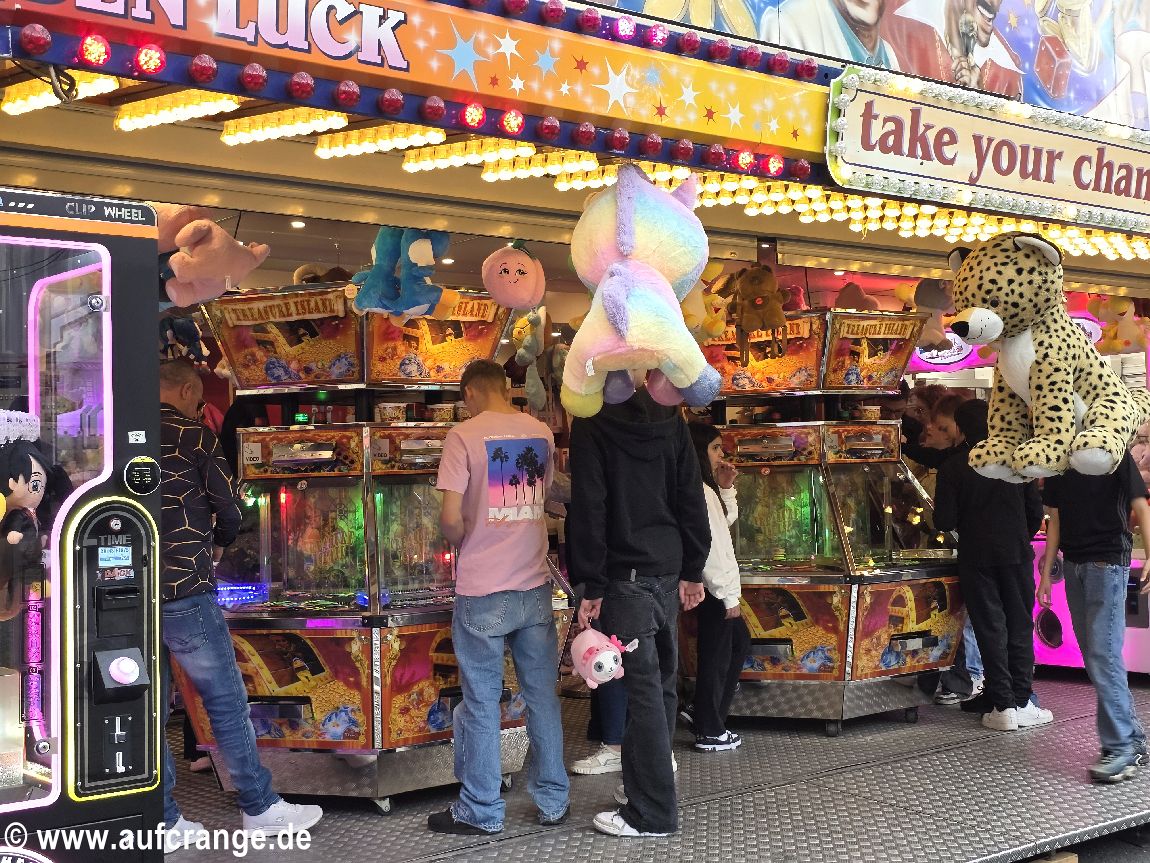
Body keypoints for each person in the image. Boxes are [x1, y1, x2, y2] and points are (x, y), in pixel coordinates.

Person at [158, 360, 322, 850]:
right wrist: (219, 544)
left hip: (134, 593)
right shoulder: (194, 435)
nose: (199, 406)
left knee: (149, 708)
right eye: (198, 398)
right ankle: (259, 805)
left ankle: (162, 819)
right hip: (187, 587)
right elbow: (229, 508)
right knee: (225, 700)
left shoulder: (125, 436)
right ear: (187, 389)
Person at [430, 359, 569, 834]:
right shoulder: (540, 432)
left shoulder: (462, 437)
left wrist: (464, 540)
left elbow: (450, 519)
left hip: (483, 589)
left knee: (482, 703)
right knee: (542, 697)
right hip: (534, 587)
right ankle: (553, 800)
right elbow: (543, 499)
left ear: (469, 392)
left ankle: (482, 809)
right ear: (505, 388)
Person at [568, 382, 709, 838]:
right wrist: (693, 567)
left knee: (643, 692)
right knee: (661, 685)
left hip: (625, 577)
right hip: (667, 569)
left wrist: (589, 581)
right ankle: (644, 788)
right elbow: (691, 494)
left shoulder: (591, 421)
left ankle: (651, 812)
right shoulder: (671, 416)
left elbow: (590, 504)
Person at [933, 400, 1048, 731]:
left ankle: (1003, 704)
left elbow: (944, 520)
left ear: (961, 428)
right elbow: (1035, 513)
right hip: (1016, 555)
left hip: (976, 557)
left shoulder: (954, 467)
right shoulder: (1016, 460)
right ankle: (1023, 701)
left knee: (990, 628)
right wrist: (1017, 536)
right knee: (1019, 625)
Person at [1040, 451, 1150, 782]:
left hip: (1107, 561)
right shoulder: (1060, 459)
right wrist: (1047, 572)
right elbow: (1055, 519)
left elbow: (1140, 503)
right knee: (1096, 656)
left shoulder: (1113, 452)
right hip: (1075, 563)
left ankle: (1120, 747)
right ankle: (1132, 739)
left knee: (1102, 655)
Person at [682, 424, 750, 752]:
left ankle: (703, 712)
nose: (721, 454)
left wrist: (725, 488)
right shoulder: (698, 489)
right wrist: (728, 595)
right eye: (714, 447)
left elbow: (722, 523)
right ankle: (709, 727)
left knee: (735, 643)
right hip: (713, 587)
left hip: (709, 585)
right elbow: (713, 547)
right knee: (717, 654)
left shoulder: (702, 488)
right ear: (698, 450)